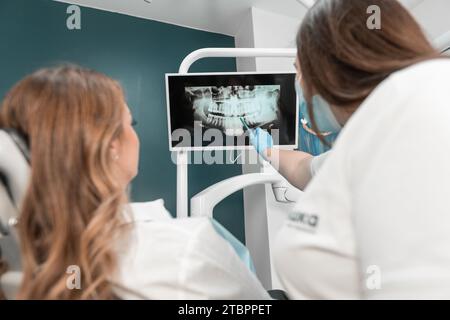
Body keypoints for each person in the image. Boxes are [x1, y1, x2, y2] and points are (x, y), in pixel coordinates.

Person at [0, 65, 270, 300]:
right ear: (111, 145)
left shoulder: (18, 262)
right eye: (132, 123)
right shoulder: (184, 248)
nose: (135, 134)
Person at [252, 0, 450, 299]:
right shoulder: (368, 135)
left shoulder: (416, 102)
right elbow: (303, 169)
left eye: (298, 69)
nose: (298, 84)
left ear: (329, 64)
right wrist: (268, 151)